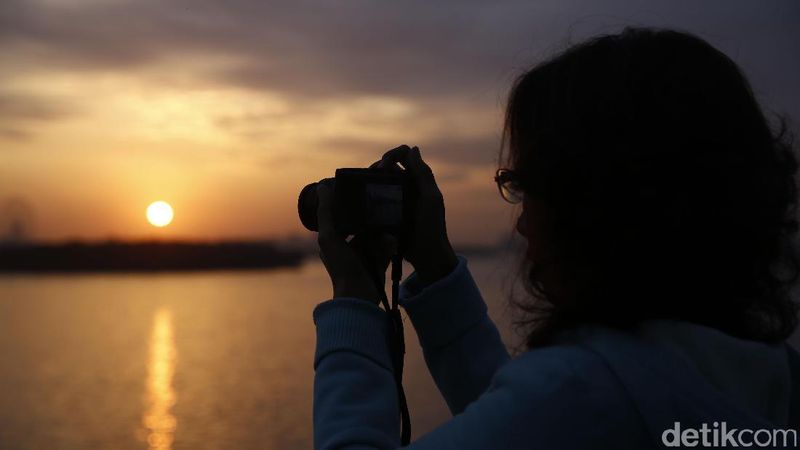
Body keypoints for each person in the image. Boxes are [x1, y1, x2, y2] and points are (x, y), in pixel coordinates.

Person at [311, 27, 800, 449]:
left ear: (591, 203)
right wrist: (437, 269)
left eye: (526, 187)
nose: (522, 222)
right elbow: (526, 423)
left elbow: (559, 411)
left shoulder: (586, 394)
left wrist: (353, 302)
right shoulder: (767, 377)